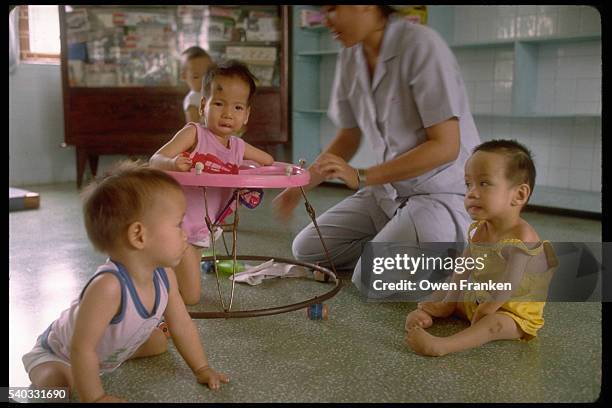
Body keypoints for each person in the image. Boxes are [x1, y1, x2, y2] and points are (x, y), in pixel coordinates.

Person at [273, 6, 480, 289]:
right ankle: (404, 244)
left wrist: (361, 176)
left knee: (370, 279)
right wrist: (302, 186)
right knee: (307, 250)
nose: (326, 19)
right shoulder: (351, 55)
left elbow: (446, 146)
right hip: (390, 191)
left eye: (333, 8)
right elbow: (348, 135)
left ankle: (452, 256)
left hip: (438, 192)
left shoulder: (421, 45)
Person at [22, 161, 229, 402]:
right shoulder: (108, 287)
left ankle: (111, 354)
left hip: (101, 354)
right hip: (60, 354)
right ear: (139, 235)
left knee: (159, 341)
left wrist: (201, 368)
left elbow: (181, 323)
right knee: (57, 387)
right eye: (177, 224)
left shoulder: (165, 275)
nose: (185, 233)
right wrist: (96, 397)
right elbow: (81, 348)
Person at [404, 140, 558, 356]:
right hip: (483, 297)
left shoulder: (523, 238)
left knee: (491, 325)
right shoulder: (480, 229)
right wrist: (449, 301)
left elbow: (507, 287)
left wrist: (484, 311)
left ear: (519, 195)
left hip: (513, 312)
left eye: (484, 183)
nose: (471, 193)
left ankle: (442, 346)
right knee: (444, 288)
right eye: (468, 184)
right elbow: (464, 267)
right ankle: (424, 315)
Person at [150, 60, 274, 305]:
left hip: (203, 227)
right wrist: (174, 163)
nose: (228, 113)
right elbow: (155, 160)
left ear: (247, 115)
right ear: (203, 106)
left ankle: (159, 275)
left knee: (187, 282)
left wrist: (250, 172)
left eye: (238, 107)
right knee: (192, 297)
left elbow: (268, 161)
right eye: (219, 104)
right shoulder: (194, 134)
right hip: (179, 224)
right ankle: (151, 282)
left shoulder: (238, 146)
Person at [181, 46, 213, 123]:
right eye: (196, 76)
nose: (204, 80)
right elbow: (192, 126)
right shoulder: (192, 100)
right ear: (184, 76)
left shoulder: (212, 92)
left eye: (208, 75)